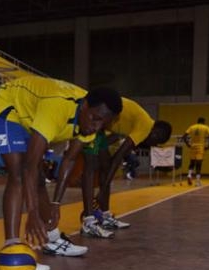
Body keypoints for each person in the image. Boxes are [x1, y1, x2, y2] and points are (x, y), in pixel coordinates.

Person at [0, 75, 121, 269]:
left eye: (103, 124)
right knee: (18, 175)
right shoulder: (57, 108)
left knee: (39, 180)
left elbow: (70, 160)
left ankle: (51, 238)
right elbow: (29, 166)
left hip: (33, 114)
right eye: (95, 119)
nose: (96, 127)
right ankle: (12, 249)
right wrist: (32, 213)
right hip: (8, 105)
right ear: (84, 107)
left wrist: (56, 203)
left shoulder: (90, 123)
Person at [56, 98, 171, 236]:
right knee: (91, 166)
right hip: (94, 120)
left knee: (105, 166)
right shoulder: (145, 127)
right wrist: (101, 192)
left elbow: (116, 139)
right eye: (155, 141)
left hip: (102, 128)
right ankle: (88, 221)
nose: (152, 144)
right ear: (156, 132)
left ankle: (104, 215)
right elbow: (119, 156)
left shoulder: (142, 123)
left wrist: (102, 190)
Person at [181, 117, 209, 187]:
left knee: (192, 162)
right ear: (203, 122)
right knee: (199, 164)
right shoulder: (205, 127)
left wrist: (188, 144)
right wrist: (208, 146)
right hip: (200, 147)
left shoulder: (192, 127)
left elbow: (184, 136)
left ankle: (189, 174)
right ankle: (197, 181)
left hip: (193, 146)